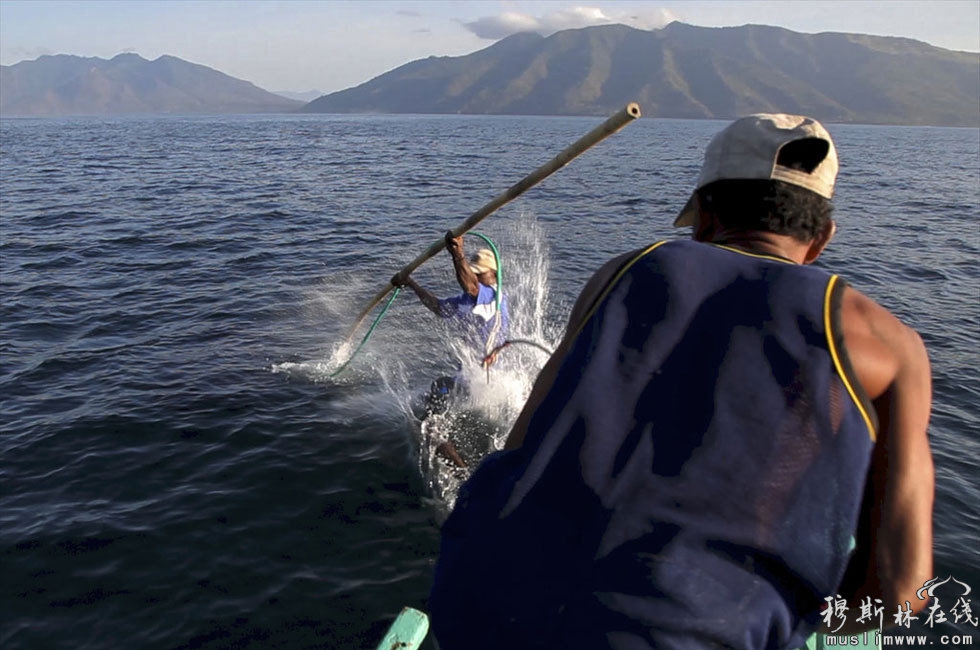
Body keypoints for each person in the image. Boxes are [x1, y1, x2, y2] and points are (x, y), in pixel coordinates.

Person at [428, 114, 934, 648]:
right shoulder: (887, 344)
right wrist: (781, 618)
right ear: (823, 237)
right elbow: (903, 589)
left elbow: (522, 447)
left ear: (705, 217)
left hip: (480, 598)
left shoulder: (620, 274)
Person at [392, 231, 509, 466]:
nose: (475, 278)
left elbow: (471, 285)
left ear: (492, 275)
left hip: (483, 378)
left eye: (479, 274)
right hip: (472, 377)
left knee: (433, 409)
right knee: (438, 393)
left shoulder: (492, 296)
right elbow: (438, 307)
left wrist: (457, 254)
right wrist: (412, 284)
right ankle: (453, 455)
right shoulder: (470, 300)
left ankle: (460, 471)